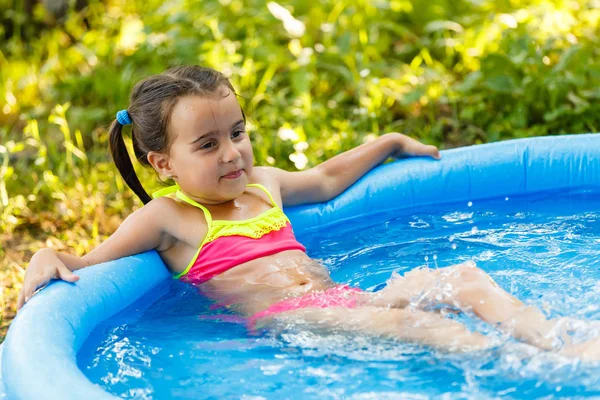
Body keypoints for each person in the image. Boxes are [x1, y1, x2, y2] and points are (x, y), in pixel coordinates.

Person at [16, 65, 600, 361]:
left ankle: (556, 342)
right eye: (208, 145)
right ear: (162, 162)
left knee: (464, 280)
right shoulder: (168, 218)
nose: (232, 153)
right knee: (420, 324)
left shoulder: (263, 187)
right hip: (288, 319)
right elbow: (86, 262)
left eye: (237, 133)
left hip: (339, 296)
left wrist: (388, 142)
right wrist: (45, 254)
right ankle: (521, 370)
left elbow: (325, 178)